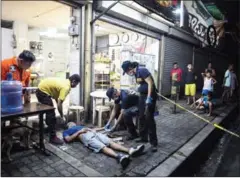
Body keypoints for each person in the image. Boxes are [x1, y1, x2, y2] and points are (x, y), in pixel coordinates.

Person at [63, 122, 145, 169]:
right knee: (102, 147)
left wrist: (104, 127)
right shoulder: (67, 131)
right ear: (68, 126)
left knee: (110, 142)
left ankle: (130, 150)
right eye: (70, 123)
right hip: (85, 136)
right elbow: (68, 139)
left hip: (93, 133)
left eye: (72, 123)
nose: (72, 123)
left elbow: (93, 129)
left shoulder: (81, 126)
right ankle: (119, 157)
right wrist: (79, 132)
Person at [121, 61, 158, 152]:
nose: (127, 74)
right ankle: (143, 137)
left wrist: (149, 98)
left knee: (149, 118)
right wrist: (136, 90)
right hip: (142, 96)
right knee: (141, 117)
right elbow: (143, 84)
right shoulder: (136, 74)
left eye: (126, 72)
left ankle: (154, 143)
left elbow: (150, 83)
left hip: (149, 96)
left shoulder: (142, 70)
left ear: (129, 68)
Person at [36, 74, 81, 144]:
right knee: (51, 115)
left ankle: (49, 128)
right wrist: (62, 115)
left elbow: (58, 99)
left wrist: (60, 111)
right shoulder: (66, 87)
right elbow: (59, 104)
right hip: (42, 92)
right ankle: (53, 137)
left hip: (41, 90)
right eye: (77, 84)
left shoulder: (65, 81)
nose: (76, 86)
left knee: (50, 112)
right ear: (74, 81)